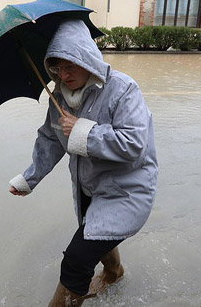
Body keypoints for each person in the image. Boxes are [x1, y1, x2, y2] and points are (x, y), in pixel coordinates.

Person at [9, 19, 158, 306]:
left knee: (76, 262)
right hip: (88, 188)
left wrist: (83, 131)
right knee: (94, 234)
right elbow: (50, 140)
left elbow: (135, 144)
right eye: (56, 68)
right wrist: (30, 179)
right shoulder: (60, 97)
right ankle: (114, 272)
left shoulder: (123, 89)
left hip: (126, 191)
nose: (63, 75)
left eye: (70, 66)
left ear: (86, 58)